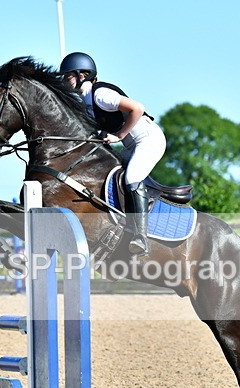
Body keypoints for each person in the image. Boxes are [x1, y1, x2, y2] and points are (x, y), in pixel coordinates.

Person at [59, 52, 166, 256]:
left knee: (132, 178)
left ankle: (140, 237)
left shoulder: (100, 95)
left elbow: (137, 108)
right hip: (131, 145)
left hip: (148, 139)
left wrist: (119, 135)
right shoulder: (85, 101)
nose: (64, 80)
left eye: (67, 76)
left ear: (82, 75)